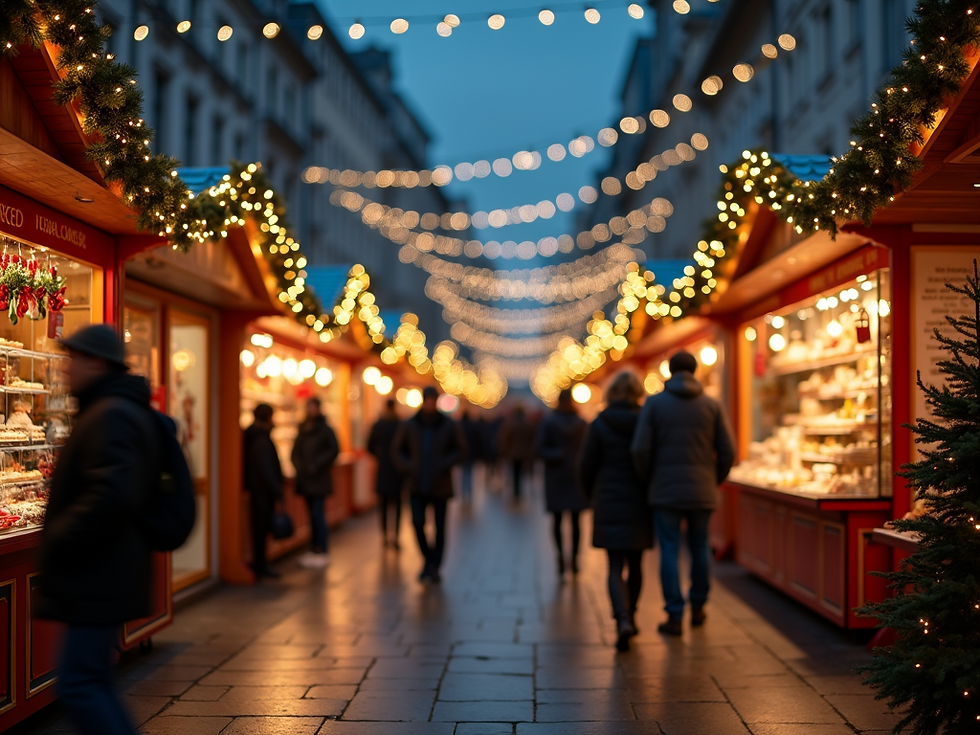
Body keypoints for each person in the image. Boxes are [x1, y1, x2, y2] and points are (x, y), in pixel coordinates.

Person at [35, 325, 160, 735]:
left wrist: (61, 535)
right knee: (91, 680)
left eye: (75, 358)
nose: (67, 368)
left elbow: (111, 494)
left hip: (99, 575)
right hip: (102, 575)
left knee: (80, 684)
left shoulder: (111, 414)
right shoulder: (107, 409)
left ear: (98, 362)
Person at [631, 350, 736, 636]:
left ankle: (674, 614)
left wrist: (649, 478)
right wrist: (712, 479)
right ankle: (699, 606)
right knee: (700, 546)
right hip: (701, 488)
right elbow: (728, 451)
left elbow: (640, 449)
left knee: (669, 548)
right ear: (695, 370)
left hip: (664, 489)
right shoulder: (711, 405)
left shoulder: (654, 404)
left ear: (669, 371)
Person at [580, 371, 653, 652]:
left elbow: (586, 466)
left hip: (608, 498)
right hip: (639, 499)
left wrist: (592, 496)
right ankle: (632, 615)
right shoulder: (646, 421)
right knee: (636, 564)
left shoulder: (599, 424)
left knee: (614, 565)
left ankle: (621, 618)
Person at [392, 386, 466, 583]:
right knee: (417, 523)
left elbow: (461, 450)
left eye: (433, 400)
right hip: (417, 484)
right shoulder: (410, 425)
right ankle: (428, 558)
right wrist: (408, 467)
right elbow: (397, 450)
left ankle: (434, 566)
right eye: (428, 400)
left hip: (440, 485)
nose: (430, 404)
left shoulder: (448, 425)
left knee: (440, 527)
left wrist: (444, 463)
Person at [537, 388, 588, 577]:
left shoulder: (549, 423)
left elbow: (540, 448)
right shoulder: (582, 423)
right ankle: (574, 559)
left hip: (555, 477)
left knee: (557, 520)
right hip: (576, 477)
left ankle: (560, 556)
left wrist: (555, 455)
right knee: (576, 521)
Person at [291, 397, 339, 568]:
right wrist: (300, 466)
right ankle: (313, 548)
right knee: (311, 515)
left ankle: (322, 549)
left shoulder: (326, 430)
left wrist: (316, 465)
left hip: (319, 480)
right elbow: (295, 452)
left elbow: (333, 451)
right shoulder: (303, 429)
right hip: (305, 479)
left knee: (318, 515)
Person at [243, 403, 284, 579]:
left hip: (258, 491)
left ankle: (261, 563)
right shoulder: (261, 441)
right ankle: (261, 564)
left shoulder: (254, 437)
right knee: (261, 530)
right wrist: (277, 490)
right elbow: (266, 469)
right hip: (261, 493)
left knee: (260, 529)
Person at [368, 399, 404, 548]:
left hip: (384, 469)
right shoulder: (401, 425)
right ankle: (394, 536)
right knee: (397, 505)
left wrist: (379, 455)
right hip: (397, 469)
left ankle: (384, 535)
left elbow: (369, 446)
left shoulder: (378, 425)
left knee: (383, 505)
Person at [498, 404, 536, 500]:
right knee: (521, 472)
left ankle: (516, 491)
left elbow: (505, 438)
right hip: (524, 453)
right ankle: (519, 491)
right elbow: (531, 438)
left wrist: (504, 450)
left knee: (515, 472)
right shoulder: (527, 424)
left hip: (513, 453)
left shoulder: (511, 423)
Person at [458, 409, 484, 502]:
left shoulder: (459, 426)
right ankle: (469, 494)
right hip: (471, 454)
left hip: (462, 455)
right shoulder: (472, 426)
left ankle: (464, 494)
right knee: (469, 474)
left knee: (463, 474)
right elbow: (478, 441)